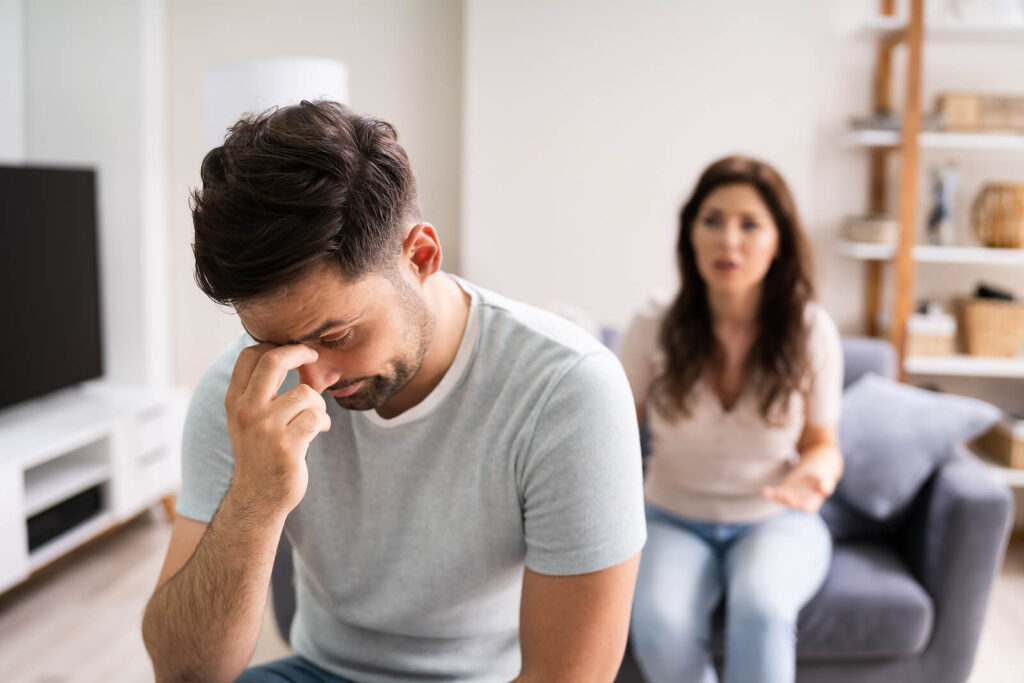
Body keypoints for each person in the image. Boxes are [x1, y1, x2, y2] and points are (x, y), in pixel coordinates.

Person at [141, 100, 646, 683]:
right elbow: (184, 675)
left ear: (421, 255)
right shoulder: (246, 394)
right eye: (277, 344)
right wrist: (255, 499)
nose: (315, 378)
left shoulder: (568, 389)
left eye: (337, 334)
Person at [620, 156, 843, 683]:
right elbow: (615, 432)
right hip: (670, 514)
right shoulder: (654, 322)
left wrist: (815, 474)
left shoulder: (811, 331)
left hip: (774, 520)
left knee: (762, 611)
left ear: (779, 240)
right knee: (658, 621)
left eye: (750, 224)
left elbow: (822, 443)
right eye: (713, 220)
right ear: (690, 231)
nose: (729, 242)